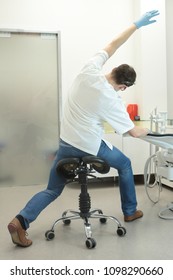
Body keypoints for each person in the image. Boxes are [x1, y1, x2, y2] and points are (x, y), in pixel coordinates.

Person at [8, 10, 159, 247]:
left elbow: (113, 44)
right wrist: (156, 133)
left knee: (52, 190)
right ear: (122, 85)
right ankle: (130, 211)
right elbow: (133, 131)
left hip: (66, 144)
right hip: (90, 146)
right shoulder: (111, 98)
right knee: (126, 164)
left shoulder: (89, 69)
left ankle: (20, 220)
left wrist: (135, 25)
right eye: (123, 89)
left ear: (113, 69)